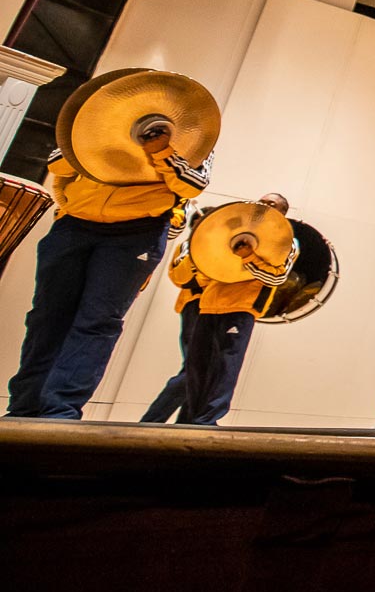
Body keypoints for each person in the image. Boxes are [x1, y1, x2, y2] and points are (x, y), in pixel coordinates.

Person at [9, 124, 212, 419]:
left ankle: (60, 412)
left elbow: (193, 184)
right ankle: (23, 408)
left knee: (97, 323)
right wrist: (96, 138)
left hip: (137, 231)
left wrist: (161, 150)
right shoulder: (103, 114)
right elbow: (57, 162)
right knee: (45, 319)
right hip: (75, 224)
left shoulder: (195, 128)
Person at [140, 194, 297, 426]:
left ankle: (206, 420)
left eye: (272, 204)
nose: (264, 205)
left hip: (240, 307)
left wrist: (249, 256)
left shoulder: (287, 240)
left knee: (225, 367)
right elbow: (201, 272)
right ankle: (190, 421)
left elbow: (277, 276)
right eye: (261, 200)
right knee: (196, 369)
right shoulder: (231, 233)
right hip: (207, 305)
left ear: (283, 212)